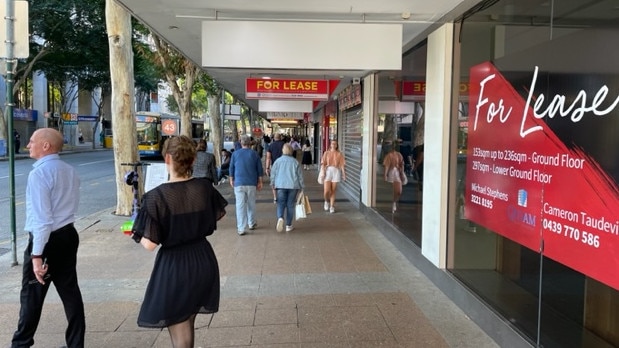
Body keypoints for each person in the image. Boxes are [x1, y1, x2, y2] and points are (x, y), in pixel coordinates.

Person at [130, 135, 228, 348]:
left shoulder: (156, 197)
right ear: (193, 161)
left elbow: (149, 244)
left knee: (179, 325)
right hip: (203, 259)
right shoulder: (204, 188)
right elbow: (219, 214)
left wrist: (134, 230)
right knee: (187, 320)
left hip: (175, 265)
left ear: (167, 159)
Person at [11, 128, 85, 348]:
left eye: (32, 141)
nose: (28, 145)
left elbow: (43, 220)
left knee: (32, 294)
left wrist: (36, 255)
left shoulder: (40, 174)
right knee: (70, 291)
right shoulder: (70, 170)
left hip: (46, 240)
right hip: (68, 235)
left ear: (46, 145)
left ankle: (21, 344)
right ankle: (75, 344)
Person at [229, 134, 264, 235]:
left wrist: (231, 179)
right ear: (250, 143)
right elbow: (259, 169)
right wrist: (260, 181)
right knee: (251, 203)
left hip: (239, 182)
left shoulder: (235, 154)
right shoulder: (254, 154)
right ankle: (251, 223)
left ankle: (241, 228)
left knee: (240, 205)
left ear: (241, 142)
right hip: (251, 182)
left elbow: (231, 168)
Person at [270, 143, 304, 232]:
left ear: (283, 150)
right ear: (291, 151)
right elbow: (300, 176)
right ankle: (289, 225)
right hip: (293, 186)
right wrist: (302, 187)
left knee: (281, 203)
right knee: (290, 205)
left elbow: (273, 174)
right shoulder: (295, 162)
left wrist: (272, 183)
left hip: (280, 185)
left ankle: (280, 217)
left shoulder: (277, 161)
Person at [320, 140, 346, 213]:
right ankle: (326, 201)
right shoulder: (326, 153)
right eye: (332, 143)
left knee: (333, 191)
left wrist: (344, 174)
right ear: (330, 145)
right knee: (326, 191)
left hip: (336, 171)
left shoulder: (339, 154)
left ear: (337, 145)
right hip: (328, 171)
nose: (334, 145)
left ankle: (332, 206)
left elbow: (342, 165)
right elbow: (323, 163)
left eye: (335, 144)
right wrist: (323, 173)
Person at [383, 147, 405, 213]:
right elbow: (387, 165)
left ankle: (394, 201)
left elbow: (402, 164)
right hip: (392, 173)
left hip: (398, 173)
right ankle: (393, 203)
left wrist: (402, 172)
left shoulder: (399, 155)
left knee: (399, 191)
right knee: (394, 190)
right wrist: (385, 175)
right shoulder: (389, 155)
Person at [265, 133, 285, 203]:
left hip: (274, 166)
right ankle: (282, 196)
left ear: (273, 138)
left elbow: (268, 158)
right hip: (283, 166)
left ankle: (275, 198)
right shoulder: (284, 145)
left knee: (273, 181)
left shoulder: (271, 146)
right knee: (283, 181)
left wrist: (267, 168)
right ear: (280, 137)